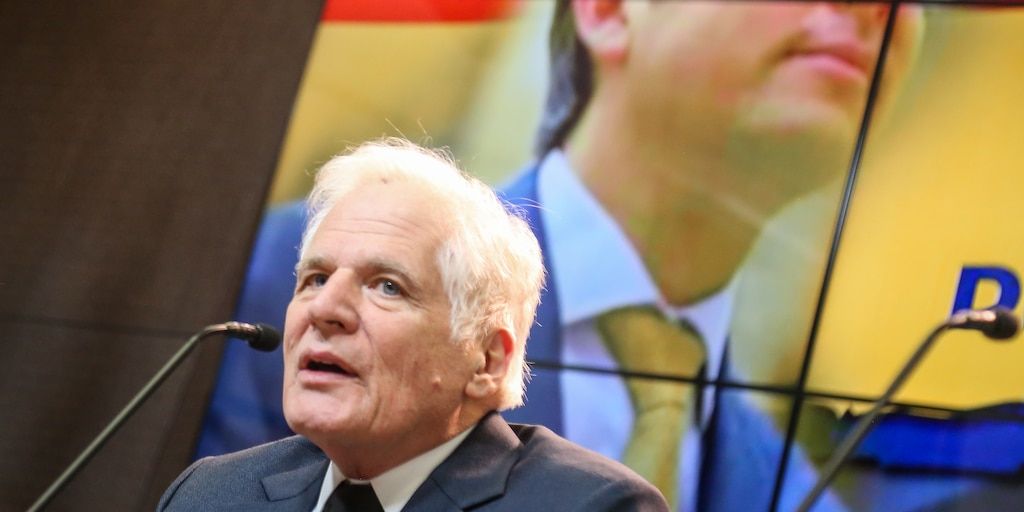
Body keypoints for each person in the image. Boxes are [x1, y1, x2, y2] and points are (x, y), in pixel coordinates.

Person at [197, 1, 929, 510]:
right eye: (317, 279)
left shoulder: (801, 491)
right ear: (607, 11)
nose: (878, 10)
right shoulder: (262, 275)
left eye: (385, 286)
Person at [160, 140, 669, 511]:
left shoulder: (591, 505)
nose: (324, 309)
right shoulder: (210, 496)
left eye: (387, 286)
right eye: (316, 279)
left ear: (487, 360)